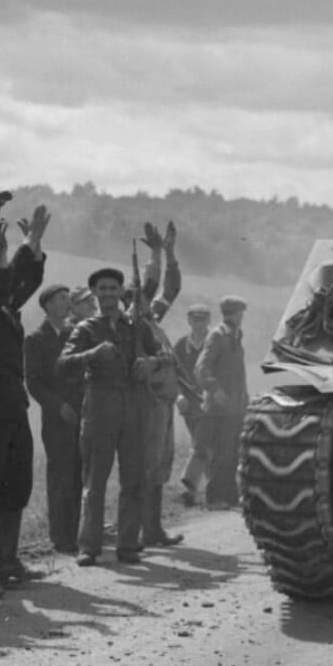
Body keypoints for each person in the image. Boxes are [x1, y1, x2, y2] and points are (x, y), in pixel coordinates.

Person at [56, 266, 164, 566]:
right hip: (100, 404)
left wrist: (150, 363)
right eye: (101, 289)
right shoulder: (86, 329)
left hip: (133, 405)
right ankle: (89, 547)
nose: (107, 294)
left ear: (120, 293)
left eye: (112, 288)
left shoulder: (137, 326)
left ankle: (128, 544)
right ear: (95, 294)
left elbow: (164, 357)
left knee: (133, 478)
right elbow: (63, 364)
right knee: (95, 480)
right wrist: (93, 354)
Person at [0, 198, 48, 584]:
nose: (11, 287)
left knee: (17, 484)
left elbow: (27, 280)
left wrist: (34, 241)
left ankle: (6, 561)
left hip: (14, 408)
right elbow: (2, 276)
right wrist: (7, 243)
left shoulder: (8, 310)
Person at [24, 282, 84, 554]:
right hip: (56, 418)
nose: (66, 303)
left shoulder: (77, 334)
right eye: (60, 299)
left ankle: (76, 532)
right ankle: (61, 536)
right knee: (61, 474)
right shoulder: (36, 339)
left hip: (82, 413)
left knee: (78, 473)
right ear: (47, 305)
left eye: (67, 298)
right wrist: (58, 406)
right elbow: (34, 382)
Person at [137, 222, 185, 548]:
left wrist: (169, 252)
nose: (144, 302)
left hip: (164, 403)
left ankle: (152, 529)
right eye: (137, 299)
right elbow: (154, 285)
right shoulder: (133, 325)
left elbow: (171, 289)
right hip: (147, 403)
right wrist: (155, 253)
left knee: (159, 466)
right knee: (148, 467)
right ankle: (145, 530)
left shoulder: (150, 320)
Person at [195, 294, 250, 509]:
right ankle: (214, 497)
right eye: (240, 313)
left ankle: (230, 495)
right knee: (221, 453)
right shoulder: (218, 336)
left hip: (235, 407)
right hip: (220, 408)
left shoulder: (235, 335)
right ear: (233, 314)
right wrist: (214, 388)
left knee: (233, 452)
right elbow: (201, 368)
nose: (241, 316)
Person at [172, 303, 211, 507]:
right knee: (202, 445)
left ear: (208, 321)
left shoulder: (215, 342)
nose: (198, 323)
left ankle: (189, 488)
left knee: (202, 443)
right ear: (188, 320)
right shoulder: (180, 345)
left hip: (211, 404)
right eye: (195, 319)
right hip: (189, 405)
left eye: (202, 319)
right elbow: (174, 375)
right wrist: (179, 396)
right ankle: (212, 489)